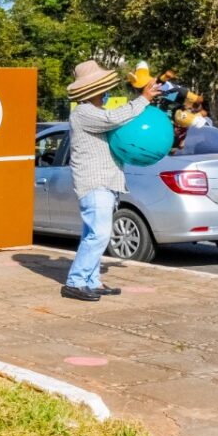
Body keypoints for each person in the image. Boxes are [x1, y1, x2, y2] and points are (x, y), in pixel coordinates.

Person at [62, 61, 161, 302]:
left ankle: (91, 281)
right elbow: (114, 119)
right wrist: (143, 99)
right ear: (92, 90)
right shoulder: (84, 113)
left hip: (105, 184)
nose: (105, 92)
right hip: (95, 184)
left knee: (94, 235)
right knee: (99, 235)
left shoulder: (93, 113)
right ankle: (75, 281)